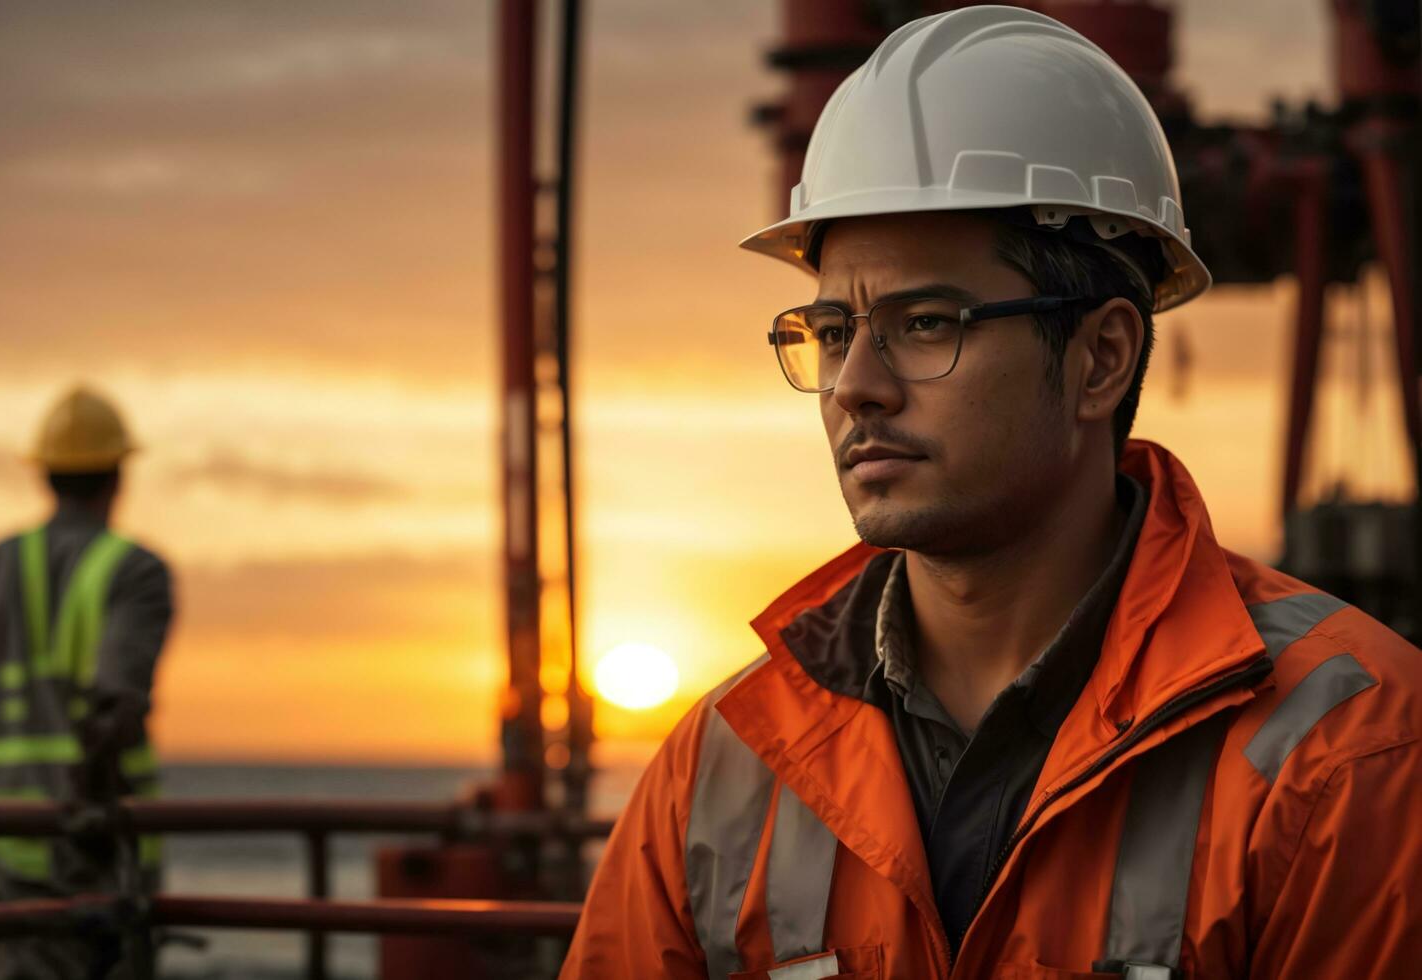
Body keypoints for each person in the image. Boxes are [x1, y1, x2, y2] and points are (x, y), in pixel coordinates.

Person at [562, 7, 1421, 979]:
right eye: (832, 331)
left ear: (1100, 357)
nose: (853, 386)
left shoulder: (1352, 749)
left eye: (924, 322)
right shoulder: (719, 765)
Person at [0, 384, 173, 976]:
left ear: (44, 476)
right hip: (100, 844)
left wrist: (4, 737)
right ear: (118, 476)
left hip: (9, 831)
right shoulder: (136, 571)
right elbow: (115, 703)